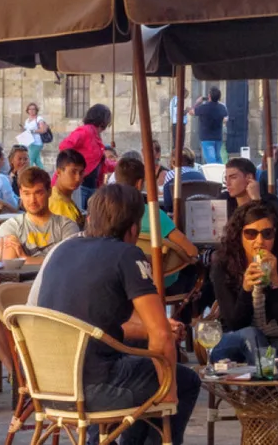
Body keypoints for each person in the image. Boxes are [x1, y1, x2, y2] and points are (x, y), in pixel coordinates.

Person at [31, 184, 200, 445]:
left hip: (47, 388)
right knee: (183, 380)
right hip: (92, 390)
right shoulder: (126, 254)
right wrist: (170, 393)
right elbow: (161, 335)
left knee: (139, 363)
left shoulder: (63, 249)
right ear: (133, 228)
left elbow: (95, 325)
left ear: (91, 217)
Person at [210, 201, 278, 364]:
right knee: (252, 335)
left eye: (267, 234)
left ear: (276, 235)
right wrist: (246, 289)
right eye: (251, 234)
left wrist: (276, 281)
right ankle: (265, 387)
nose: (259, 241)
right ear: (239, 235)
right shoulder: (223, 265)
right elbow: (234, 324)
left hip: (275, 338)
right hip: (232, 341)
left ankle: (262, 386)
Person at [114, 157, 199, 290]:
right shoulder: (154, 215)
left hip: (122, 281)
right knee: (196, 273)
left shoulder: (109, 215)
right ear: (139, 183)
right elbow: (190, 250)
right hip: (160, 283)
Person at [0, 166, 79, 263]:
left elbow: (70, 262)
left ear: (49, 192)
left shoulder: (67, 226)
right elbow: (11, 266)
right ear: (20, 194)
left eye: (38, 193)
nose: (32, 200)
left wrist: (27, 259)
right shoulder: (11, 226)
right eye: (27, 193)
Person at [58, 104, 111, 202]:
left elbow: (99, 162)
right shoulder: (86, 131)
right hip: (80, 186)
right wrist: (76, 167)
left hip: (92, 186)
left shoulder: (95, 134)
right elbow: (64, 146)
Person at [50, 149, 86, 227]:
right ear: (59, 172)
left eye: (81, 173)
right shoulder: (59, 203)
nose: (78, 178)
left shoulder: (64, 197)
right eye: (73, 172)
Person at [191, 88, 228, 164]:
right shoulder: (222, 107)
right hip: (218, 137)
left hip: (206, 138)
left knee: (211, 160)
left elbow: (192, 112)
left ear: (209, 96)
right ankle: (220, 173)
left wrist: (197, 102)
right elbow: (225, 119)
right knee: (218, 158)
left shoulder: (204, 107)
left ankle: (214, 174)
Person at [23, 102, 48, 168]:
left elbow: (43, 130)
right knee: (37, 161)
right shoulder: (27, 120)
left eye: (33, 109)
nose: (31, 111)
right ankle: (44, 175)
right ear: (27, 110)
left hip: (37, 142)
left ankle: (27, 175)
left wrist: (33, 131)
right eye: (30, 109)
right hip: (29, 142)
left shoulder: (39, 119)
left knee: (29, 160)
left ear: (36, 110)